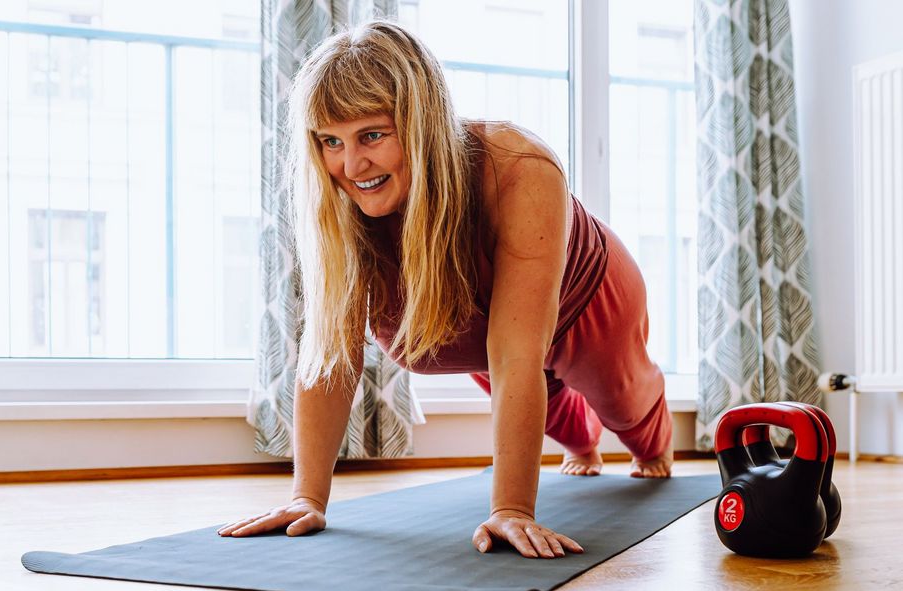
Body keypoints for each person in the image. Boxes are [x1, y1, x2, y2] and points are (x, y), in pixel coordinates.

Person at [219, 21, 673, 559]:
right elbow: (332, 354)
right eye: (330, 142)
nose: (350, 164)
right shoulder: (340, 201)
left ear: (420, 122)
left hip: (589, 296)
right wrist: (306, 497)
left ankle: (651, 441)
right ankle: (584, 443)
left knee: (632, 421)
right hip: (479, 313)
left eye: (372, 135)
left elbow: (517, 354)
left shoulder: (519, 170)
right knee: (566, 429)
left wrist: (512, 510)